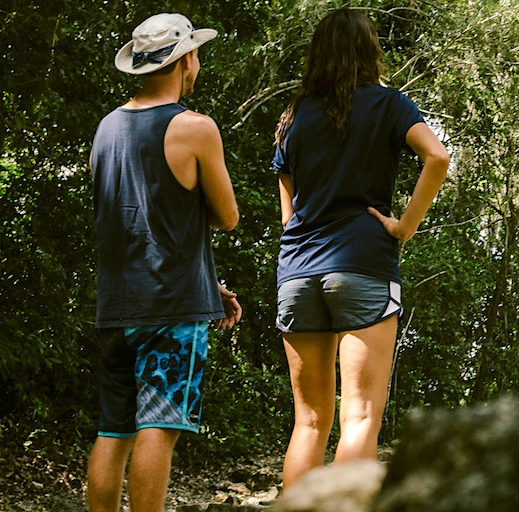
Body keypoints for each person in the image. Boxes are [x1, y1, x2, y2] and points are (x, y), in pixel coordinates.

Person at [272, 8, 450, 489]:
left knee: (308, 423)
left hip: (297, 270)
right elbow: (437, 157)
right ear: (370, 51)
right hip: (362, 265)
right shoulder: (389, 105)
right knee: (360, 416)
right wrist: (405, 226)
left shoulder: (292, 117)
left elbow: (288, 214)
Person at [88, 13, 243, 512]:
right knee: (159, 425)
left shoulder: (106, 128)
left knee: (114, 430)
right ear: (185, 61)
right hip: (171, 309)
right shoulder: (194, 128)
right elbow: (227, 216)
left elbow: (134, 221)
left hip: (116, 304)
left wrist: (208, 285)